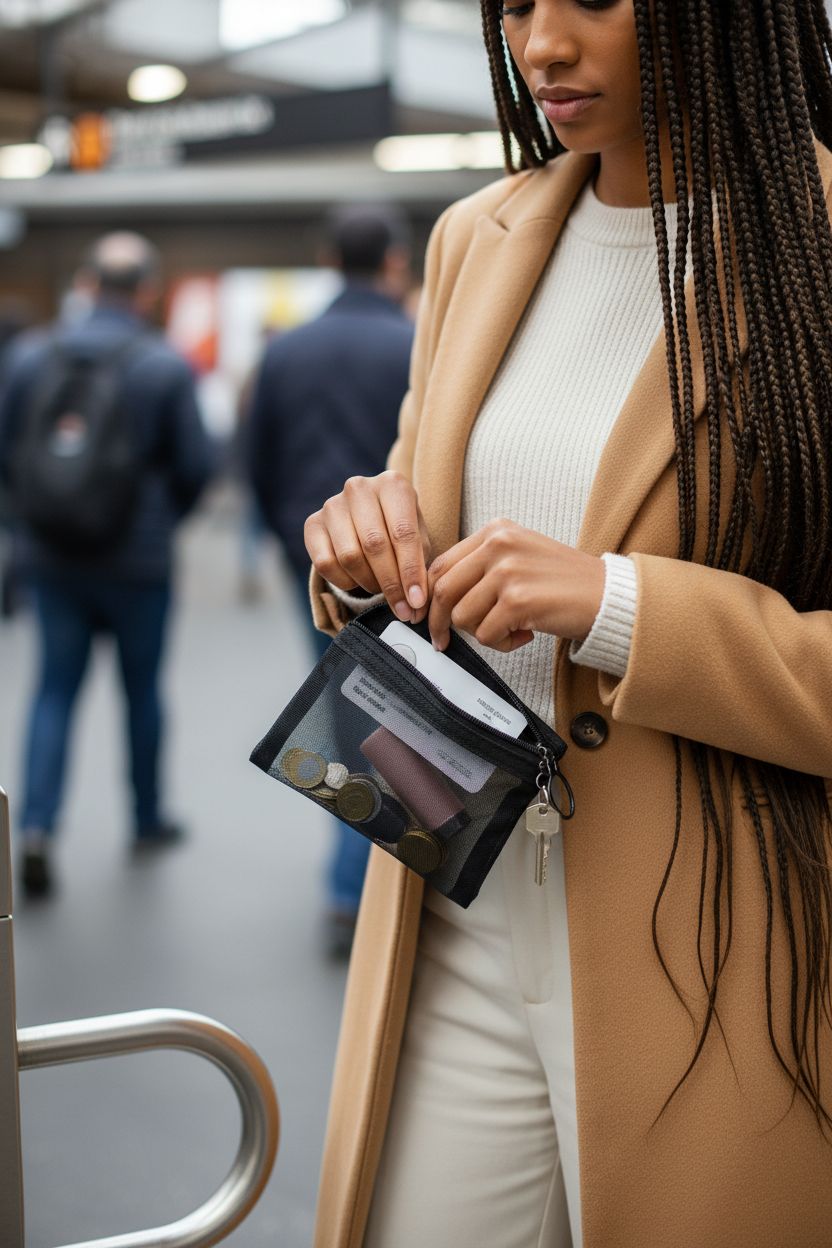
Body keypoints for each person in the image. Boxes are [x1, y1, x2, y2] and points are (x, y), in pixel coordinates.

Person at [301, 2, 832, 1245]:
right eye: (515, 6)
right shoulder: (476, 239)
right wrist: (359, 550)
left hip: (715, 933)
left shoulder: (815, 244)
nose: (539, 46)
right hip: (457, 885)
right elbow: (412, 510)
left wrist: (620, 604)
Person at [0, 232, 213, 898]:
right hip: (138, 562)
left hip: (53, 556)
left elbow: (7, 450)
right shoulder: (162, 364)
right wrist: (160, 522)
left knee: (53, 690)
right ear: (147, 292)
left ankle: (36, 828)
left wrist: (29, 524)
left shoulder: (30, 356)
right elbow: (197, 467)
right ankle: (147, 818)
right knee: (141, 691)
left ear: (88, 285)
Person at [248, 205, 414, 953]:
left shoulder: (287, 351)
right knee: (389, 715)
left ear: (325, 259)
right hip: (400, 565)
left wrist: (285, 540)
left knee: (348, 708)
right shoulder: (414, 344)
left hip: (311, 562)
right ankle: (357, 889)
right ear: (395, 264)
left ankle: (353, 886)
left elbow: (254, 457)